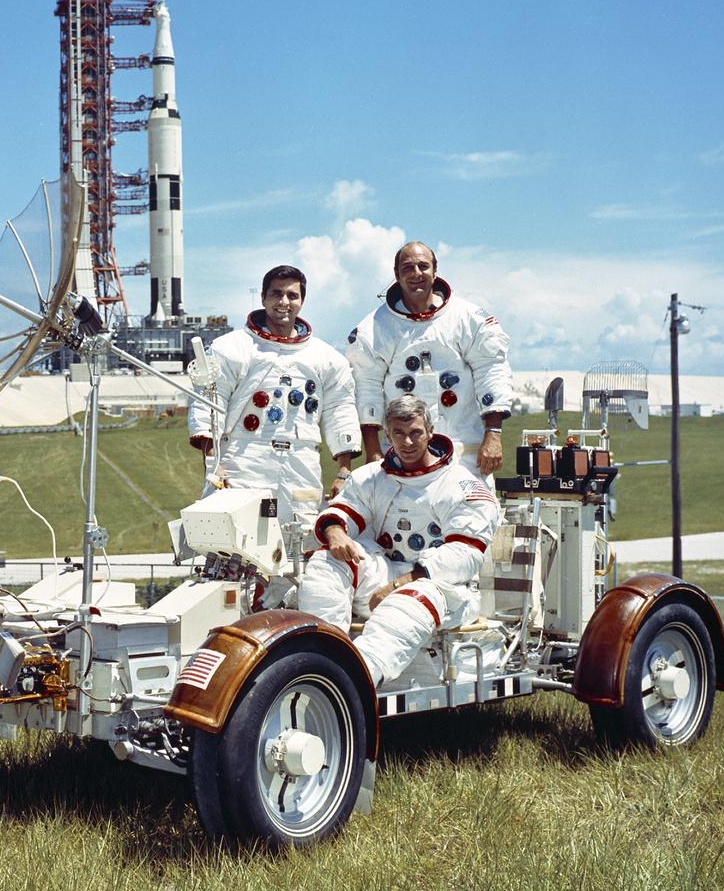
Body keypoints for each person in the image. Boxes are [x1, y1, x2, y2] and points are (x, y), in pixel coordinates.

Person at [298, 395, 500, 687]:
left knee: (405, 604)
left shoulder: (462, 485)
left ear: (430, 431)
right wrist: (335, 532)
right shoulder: (372, 477)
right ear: (387, 434)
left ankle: (354, 682)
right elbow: (343, 510)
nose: (407, 443)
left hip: (441, 586)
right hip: (387, 571)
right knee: (326, 561)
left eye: (416, 433)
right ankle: (319, 659)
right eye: (398, 434)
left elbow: (465, 555)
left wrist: (397, 585)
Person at [187, 265, 361, 523]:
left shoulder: (326, 359)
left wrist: (344, 472)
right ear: (263, 297)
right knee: (239, 541)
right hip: (244, 459)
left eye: (292, 295)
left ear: (302, 300)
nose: (284, 302)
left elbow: (340, 410)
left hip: (301, 462)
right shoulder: (231, 348)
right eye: (276, 294)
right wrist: (214, 464)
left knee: (301, 539)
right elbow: (208, 404)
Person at [346, 241, 512, 481]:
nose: (416, 274)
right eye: (408, 268)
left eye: (423, 266)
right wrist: (373, 451)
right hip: (404, 455)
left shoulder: (467, 318)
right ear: (396, 274)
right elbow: (366, 389)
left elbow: (492, 371)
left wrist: (493, 434)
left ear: (435, 271)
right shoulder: (374, 328)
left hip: (464, 453)